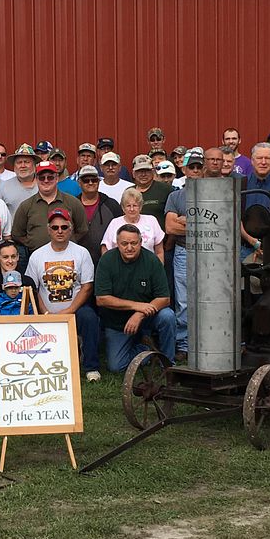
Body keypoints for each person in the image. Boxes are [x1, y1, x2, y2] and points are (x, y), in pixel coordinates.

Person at [27, 208, 102, 381]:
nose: (59, 231)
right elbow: (33, 289)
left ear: (71, 228)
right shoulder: (37, 256)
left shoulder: (81, 253)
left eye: (64, 227)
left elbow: (87, 287)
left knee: (89, 317)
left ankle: (91, 367)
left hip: (76, 310)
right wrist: (45, 312)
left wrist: (69, 311)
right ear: (48, 230)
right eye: (55, 227)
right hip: (46, 312)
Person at [95, 224, 175, 372]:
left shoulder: (152, 260)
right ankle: (146, 349)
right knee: (116, 366)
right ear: (117, 244)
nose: (129, 247)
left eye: (134, 243)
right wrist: (136, 306)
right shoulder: (107, 261)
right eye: (124, 243)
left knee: (167, 316)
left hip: (148, 316)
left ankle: (168, 364)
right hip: (118, 322)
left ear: (141, 242)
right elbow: (102, 299)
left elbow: (164, 298)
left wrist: (139, 314)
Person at [162, 149, 205, 361]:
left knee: (208, 297)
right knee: (184, 301)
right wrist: (201, 225)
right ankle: (184, 345)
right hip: (183, 251)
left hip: (209, 251)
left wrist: (186, 221)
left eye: (199, 167)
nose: (195, 170)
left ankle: (207, 342)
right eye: (191, 167)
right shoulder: (175, 196)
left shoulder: (213, 195)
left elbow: (219, 226)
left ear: (203, 170)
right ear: (184, 170)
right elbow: (170, 227)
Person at [11, 160, 89, 254]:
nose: (46, 180)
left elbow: (82, 230)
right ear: (36, 179)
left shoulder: (73, 202)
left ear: (57, 178)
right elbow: (17, 234)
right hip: (37, 257)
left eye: (50, 177)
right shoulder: (26, 206)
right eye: (42, 178)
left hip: (68, 256)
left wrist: (69, 241)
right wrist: (31, 243)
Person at [75, 165, 121, 268]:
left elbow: (121, 231)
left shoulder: (111, 205)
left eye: (94, 180)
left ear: (99, 182)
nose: (90, 183)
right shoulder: (73, 205)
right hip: (78, 262)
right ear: (79, 183)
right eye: (86, 180)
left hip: (108, 262)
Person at [100, 187, 165, 260]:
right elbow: (105, 249)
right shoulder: (114, 223)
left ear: (140, 207)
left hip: (148, 265)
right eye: (128, 206)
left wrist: (159, 266)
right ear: (123, 208)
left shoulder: (151, 220)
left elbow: (159, 252)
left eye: (135, 205)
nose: (132, 209)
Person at [0, 144, 38, 217]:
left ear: (34, 164)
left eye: (27, 162)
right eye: (19, 162)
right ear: (14, 166)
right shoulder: (3, 187)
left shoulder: (45, 184)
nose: (23, 166)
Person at [128, 154, 173, 224]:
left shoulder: (166, 189)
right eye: (140, 171)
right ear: (133, 173)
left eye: (147, 170)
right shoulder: (129, 192)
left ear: (153, 172)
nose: (143, 174)